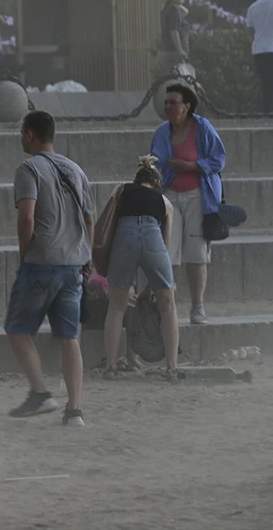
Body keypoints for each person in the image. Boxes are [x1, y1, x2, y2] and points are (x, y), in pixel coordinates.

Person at [5, 111, 94, 428]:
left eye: (21, 133)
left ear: (30, 134)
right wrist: (87, 258)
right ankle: (75, 410)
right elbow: (88, 219)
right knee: (69, 338)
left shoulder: (28, 169)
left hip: (41, 261)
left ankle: (40, 392)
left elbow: (26, 218)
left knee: (17, 329)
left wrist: (24, 254)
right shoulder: (76, 170)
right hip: (73, 265)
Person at [150, 83, 226, 325]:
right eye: (166, 102)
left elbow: (218, 159)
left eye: (173, 102)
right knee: (166, 253)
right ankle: (165, 308)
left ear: (187, 106)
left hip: (197, 196)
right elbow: (154, 162)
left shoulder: (202, 128)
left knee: (196, 254)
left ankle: (197, 306)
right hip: (170, 196)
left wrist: (192, 166)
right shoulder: (162, 132)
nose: (168, 106)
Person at [101, 156, 179, 379]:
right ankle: (172, 367)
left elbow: (108, 220)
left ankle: (111, 367)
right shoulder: (165, 202)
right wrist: (153, 287)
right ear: (156, 183)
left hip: (124, 239)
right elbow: (166, 243)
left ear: (137, 180)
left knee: (116, 306)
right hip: (153, 238)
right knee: (168, 305)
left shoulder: (121, 190)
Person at [154, 0, 192, 80]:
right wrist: (180, 50)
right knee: (177, 83)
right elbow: (174, 31)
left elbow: (186, 12)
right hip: (172, 54)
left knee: (165, 82)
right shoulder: (174, 11)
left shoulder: (167, 9)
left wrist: (177, 3)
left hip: (164, 52)